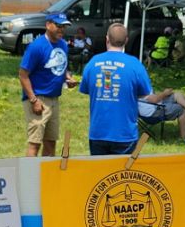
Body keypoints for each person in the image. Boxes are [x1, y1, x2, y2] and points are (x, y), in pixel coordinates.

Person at [78, 23, 152, 156]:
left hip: (98, 132)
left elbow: (86, 88)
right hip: (125, 133)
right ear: (126, 40)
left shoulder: (93, 62)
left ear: (107, 39)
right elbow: (145, 93)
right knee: (122, 175)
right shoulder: (135, 64)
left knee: (100, 174)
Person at [19, 11, 73, 157]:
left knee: (51, 142)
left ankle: (47, 177)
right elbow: (23, 75)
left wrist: (67, 77)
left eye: (64, 26)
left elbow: (61, 66)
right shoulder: (37, 47)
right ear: (48, 25)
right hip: (38, 99)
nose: (61, 29)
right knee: (35, 143)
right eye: (58, 25)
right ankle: (29, 178)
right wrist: (33, 100)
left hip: (54, 99)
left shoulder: (63, 45)